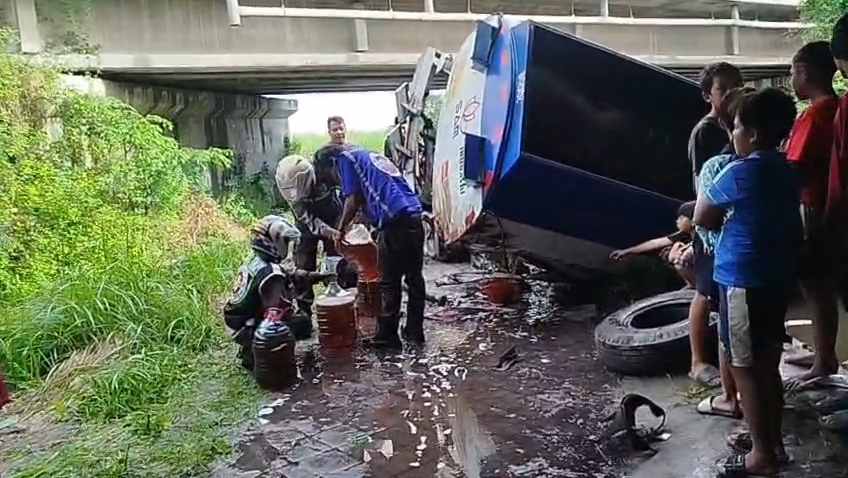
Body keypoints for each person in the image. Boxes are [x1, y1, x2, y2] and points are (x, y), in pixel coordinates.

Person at [695, 88, 801, 477]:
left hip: (742, 280)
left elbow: (704, 215)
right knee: (768, 363)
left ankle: (761, 456)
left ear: (752, 134)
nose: (733, 134)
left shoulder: (741, 170)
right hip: (777, 279)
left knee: (744, 367)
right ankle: (773, 443)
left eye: (737, 127)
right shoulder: (788, 169)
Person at [316, 144, 426, 349]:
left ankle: (387, 337)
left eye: (329, 176)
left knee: (388, 282)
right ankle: (414, 332)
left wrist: (339, 231)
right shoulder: (367, 155)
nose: (335, 180)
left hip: (394, 224)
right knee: (414, 279)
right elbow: (373, 195)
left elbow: (353, 199)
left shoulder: (345, 159)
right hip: (414, 217)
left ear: (331, 163)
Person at [693, 86, 755, 420]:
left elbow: (703, 218)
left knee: (731, 340)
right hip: (770, 267)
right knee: (762, 343)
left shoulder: (723, 167)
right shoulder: (783, 166)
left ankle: (732, 399)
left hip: (730, 267)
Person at [782, 41, 841, 384]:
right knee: (823, 287)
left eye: (791, 72)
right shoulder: (839, 108)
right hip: (832, 206)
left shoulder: (815, 115)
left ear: (804, 71)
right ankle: (823, 352)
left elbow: (795, 166)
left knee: (816, 287)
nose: (791, 79)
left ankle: (824, 361)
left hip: (813, 207)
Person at [686, 62, 744, 387]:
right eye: (724, 89)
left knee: (721, 297)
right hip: (710, 228)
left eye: (738, 85)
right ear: (709, 95)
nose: (733, 92)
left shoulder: (733, 125)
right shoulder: (706, 132)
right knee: (704, 292)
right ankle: (697, 362)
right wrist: (704, 225)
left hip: (730, 225)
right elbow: (701, 186)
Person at [223, 216, 332, 369]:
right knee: (303, 324)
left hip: (237, 319)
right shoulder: (272, 275)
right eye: (286, 242)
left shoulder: (256, 261)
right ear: (275, 240)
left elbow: (290, 274)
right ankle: (257, 351)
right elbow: (275, 313)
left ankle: (250, 345)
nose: (288, 247)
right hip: (248, 325)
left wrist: (314, 277)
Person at [275, 154, 343, 319]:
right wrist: (327, 232)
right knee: (303, 263)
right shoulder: (290, 191)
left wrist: (340, 229)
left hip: (334, 216)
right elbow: (307, 219)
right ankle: (303, 308)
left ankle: (337, 299)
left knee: (336, 260)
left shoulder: (325, 172)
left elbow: (348, 189)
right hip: (306, 225)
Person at [609, 201, 696, 287]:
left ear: (693, 221)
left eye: (681, 218)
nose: (677, 221)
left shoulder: (702, 236)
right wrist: (627, 251)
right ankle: (691, 283)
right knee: (669, 252)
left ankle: (697, 286)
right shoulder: (683, 233)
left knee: (678, 255)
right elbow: (655, 243)